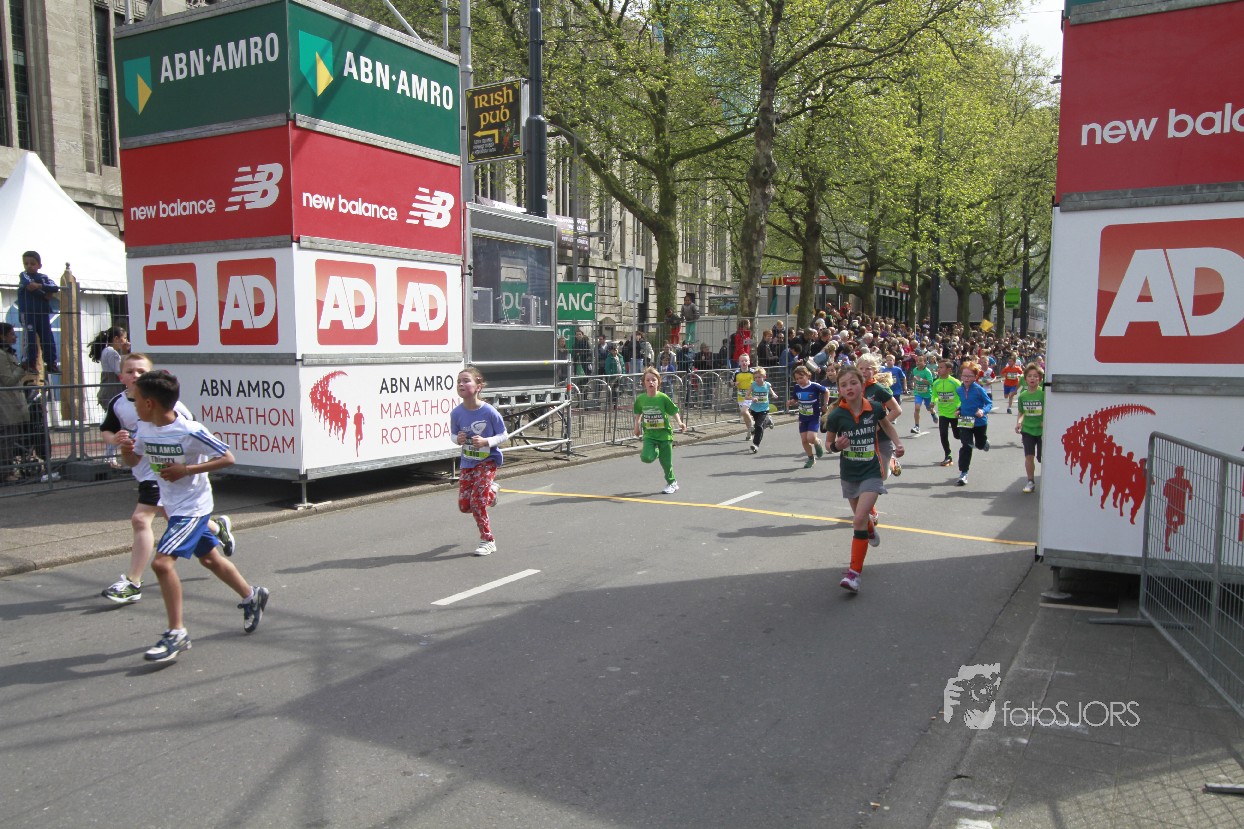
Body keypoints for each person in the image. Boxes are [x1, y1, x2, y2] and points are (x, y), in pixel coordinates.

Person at [117, 369, 268, 663]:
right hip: (172, 506)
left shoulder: (189, 430)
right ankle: (253, 595)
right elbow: (134, 459)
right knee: (210, 559)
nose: (133, 407)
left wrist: (186, 469)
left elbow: (227, 457)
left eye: (136, 401)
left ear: (149, 403)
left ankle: (176, 633)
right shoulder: (145, 429)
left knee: (162, 564)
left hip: (193, 507)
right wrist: (125, 450)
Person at [100, 353, 237, 604]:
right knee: (204, 552)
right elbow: (108, 432)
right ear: (121, 377)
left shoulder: (174, 410)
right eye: (130, 371)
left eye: (141, 371)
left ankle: (133, 582)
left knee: (141, 521)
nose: (135, 376)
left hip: (166, 474)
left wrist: (186, 468)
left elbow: (192, 435)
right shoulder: (119, 404)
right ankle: (218, 530)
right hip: (148, 473)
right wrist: (119, 443)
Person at [824, 366, 905, 594]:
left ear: (862, 385)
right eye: (843, 385)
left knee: (858, 518)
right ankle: (868, 528)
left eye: (853, 383)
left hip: (871, 471)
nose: (849, 388)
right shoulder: (837, 415)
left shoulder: (875, 408)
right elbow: (828, 443)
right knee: (861, 519)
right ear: (839, 390)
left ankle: (854, 574)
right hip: (850, 474)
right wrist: (835, 446)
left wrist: (898, 444)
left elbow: (887, 426)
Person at [451, 367, 508, 556]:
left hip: (487, 461)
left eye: (466, 380)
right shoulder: (456, 413)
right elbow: (453, 435)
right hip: (467, 462)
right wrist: (457, 439)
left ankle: (488, 540)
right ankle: (492, 491)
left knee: (477, 503)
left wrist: (486, 442)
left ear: (478, 386)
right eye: (459, 381)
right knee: (464, 505)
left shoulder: (489, 411)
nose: (461, 384)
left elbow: (503, 434)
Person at [633, 366, 685, 494]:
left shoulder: (663, 397)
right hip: (649, 435)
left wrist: (680, 423)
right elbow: (638, 413)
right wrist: (636, 426)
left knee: (666, 463)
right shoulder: (641, 399)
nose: (651, 382)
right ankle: (656, 451)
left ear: (658, 382)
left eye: (653, 380)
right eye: (648, 380)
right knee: (646, 457)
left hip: (664, 435)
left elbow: (673, 411)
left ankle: (672, 483)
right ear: (644, 383)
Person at [857, 354, 902, 480]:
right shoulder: (854, 388)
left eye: (868, 369)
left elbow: (897, 410)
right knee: (867, 475)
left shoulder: (879, 389)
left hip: (881, 436)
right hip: (862, 437)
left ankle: (891, 462)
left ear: (875, 371)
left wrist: (880, 424)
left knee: (883, 475)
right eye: (861, 369)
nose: (864, 372)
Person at [17, 251, 60, 373]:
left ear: (39, 265)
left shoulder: (44, 277)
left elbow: (55, 287)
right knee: (29, 338)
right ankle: (29, 363)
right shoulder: (24, 275)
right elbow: (30, 286)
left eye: (32, 263)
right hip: (28, 313)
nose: (29, 266)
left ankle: (51, 363)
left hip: (42, 313)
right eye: (26, 263)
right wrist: (45, 295)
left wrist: (40, 286)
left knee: (48, 338)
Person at [953, 360, 993, 487]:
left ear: (975, 377)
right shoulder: (959, 389)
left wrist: (983, 411)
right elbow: (964, 403)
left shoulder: (979, 390)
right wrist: (959, 410)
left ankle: (984, 442)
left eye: (969, 376)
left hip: (979, 422)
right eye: (964, 375)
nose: (966, 378)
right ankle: (963, 473)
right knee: (966, 446)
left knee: (979, 445)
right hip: (965, 421)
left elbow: (989, 403)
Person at [0, 323, 26, 483]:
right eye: (11, 334)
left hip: (10, 403)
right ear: (2, 336)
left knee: (10, 438)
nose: (15, 337)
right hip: (5, 404)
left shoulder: (7, 353)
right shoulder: (1, 355)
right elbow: (8, 380)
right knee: (6, 439)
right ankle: (5, 473)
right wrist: (22, 369)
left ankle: (7, 471)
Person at [789, 364, 828, 468]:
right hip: (803, 417)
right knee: (804, 440)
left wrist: (825, 404)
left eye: (801, 377)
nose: (799, 380)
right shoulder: (797, 387)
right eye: (797, 379)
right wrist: (791, 402)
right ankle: (811, 458)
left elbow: (826, 392)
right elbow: (795, 399)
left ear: (808, 376)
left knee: (811, 438)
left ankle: (817, 442)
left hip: (813, 416)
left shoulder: (814, 386)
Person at [1014, 363, 1044, 494]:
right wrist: (1019, 423)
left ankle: (1048, 480)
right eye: (1030, 376)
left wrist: (1044, 421)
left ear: (1040, 379)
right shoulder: (1023, 396)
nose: (1032, 378)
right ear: (1025, 379)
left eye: (1036, 376)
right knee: (1029, 456)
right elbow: (1022, 412)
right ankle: (1030, 481)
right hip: (1028, 430)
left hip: (1042, 431)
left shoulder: (1044, 394)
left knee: (1043, 458)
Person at [931, 360, 963, 467]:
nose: (939, 369)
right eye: (938, 367)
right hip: (943, 413)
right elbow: (935, 394)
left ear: (949, 370)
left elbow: (962, 395)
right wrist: (933, 401)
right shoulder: (936, 382)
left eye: (941, 367)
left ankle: (967, 441)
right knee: (943, 434)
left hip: (954, 413)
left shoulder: (955, 382)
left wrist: (959, 406)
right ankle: (948, 455)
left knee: (957, 435)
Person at [89, 326, 129, 411]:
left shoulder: (107, 351)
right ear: (116, 339)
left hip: (109, 391)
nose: (126, 341)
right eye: (125, 338)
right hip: (112, 393)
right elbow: (119, 370)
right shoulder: (111, 352)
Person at [747, 366, 775, 454]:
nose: (757, 379)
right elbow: (746, 396)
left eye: (759, 377)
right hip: (754, 409)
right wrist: (752, 398)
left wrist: (774, 395)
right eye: (755, 377)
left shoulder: (767, 385)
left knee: (759, 426)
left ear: (764, 377)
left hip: (764, 409)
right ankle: (768, 420)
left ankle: (755, 445)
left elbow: (771, 391)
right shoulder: (753, 385)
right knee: (758, 425)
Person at [908, 353, 937, 434]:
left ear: (925, 362)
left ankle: (933, 414)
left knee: (929, 408)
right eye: (917, 361)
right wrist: (913, 383)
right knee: (917, 408)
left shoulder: (927, 371)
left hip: (927, 393)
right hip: (918, 392)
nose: (918, 362)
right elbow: (915, 379)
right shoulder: (915, 370)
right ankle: (917, 426)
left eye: (920, 361)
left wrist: (920, 379)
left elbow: (930, 382)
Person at [733, 352, 756, 438]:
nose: (744, 362)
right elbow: (730, 383)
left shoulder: (753, 372)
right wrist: (734, 383)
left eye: (746, 361)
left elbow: (758, 382)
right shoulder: (736, 372)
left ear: (749, 362)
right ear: (739, 363)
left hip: (750, 396)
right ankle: (749, 431)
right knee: (745, 415)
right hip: (740, 397)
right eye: (742, 361)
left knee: (744, 411)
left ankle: (752, 423)